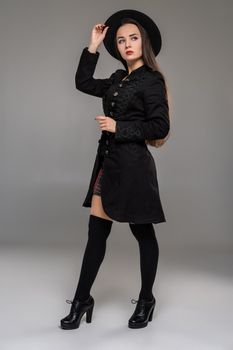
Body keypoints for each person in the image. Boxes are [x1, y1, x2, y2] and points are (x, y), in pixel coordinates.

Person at [60, 9, 170, 330]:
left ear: (144, 41)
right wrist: (93, 45)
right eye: (121, 41)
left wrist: (118, 126)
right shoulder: (116, 79)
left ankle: (147, 298)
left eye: (133, 38)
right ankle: (82, 300)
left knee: (142, 231)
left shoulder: (152, 79)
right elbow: (82, 82)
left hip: (135, 168)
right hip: (108, 164)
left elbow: (160, 126)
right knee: (96, 233)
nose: (127, 45)